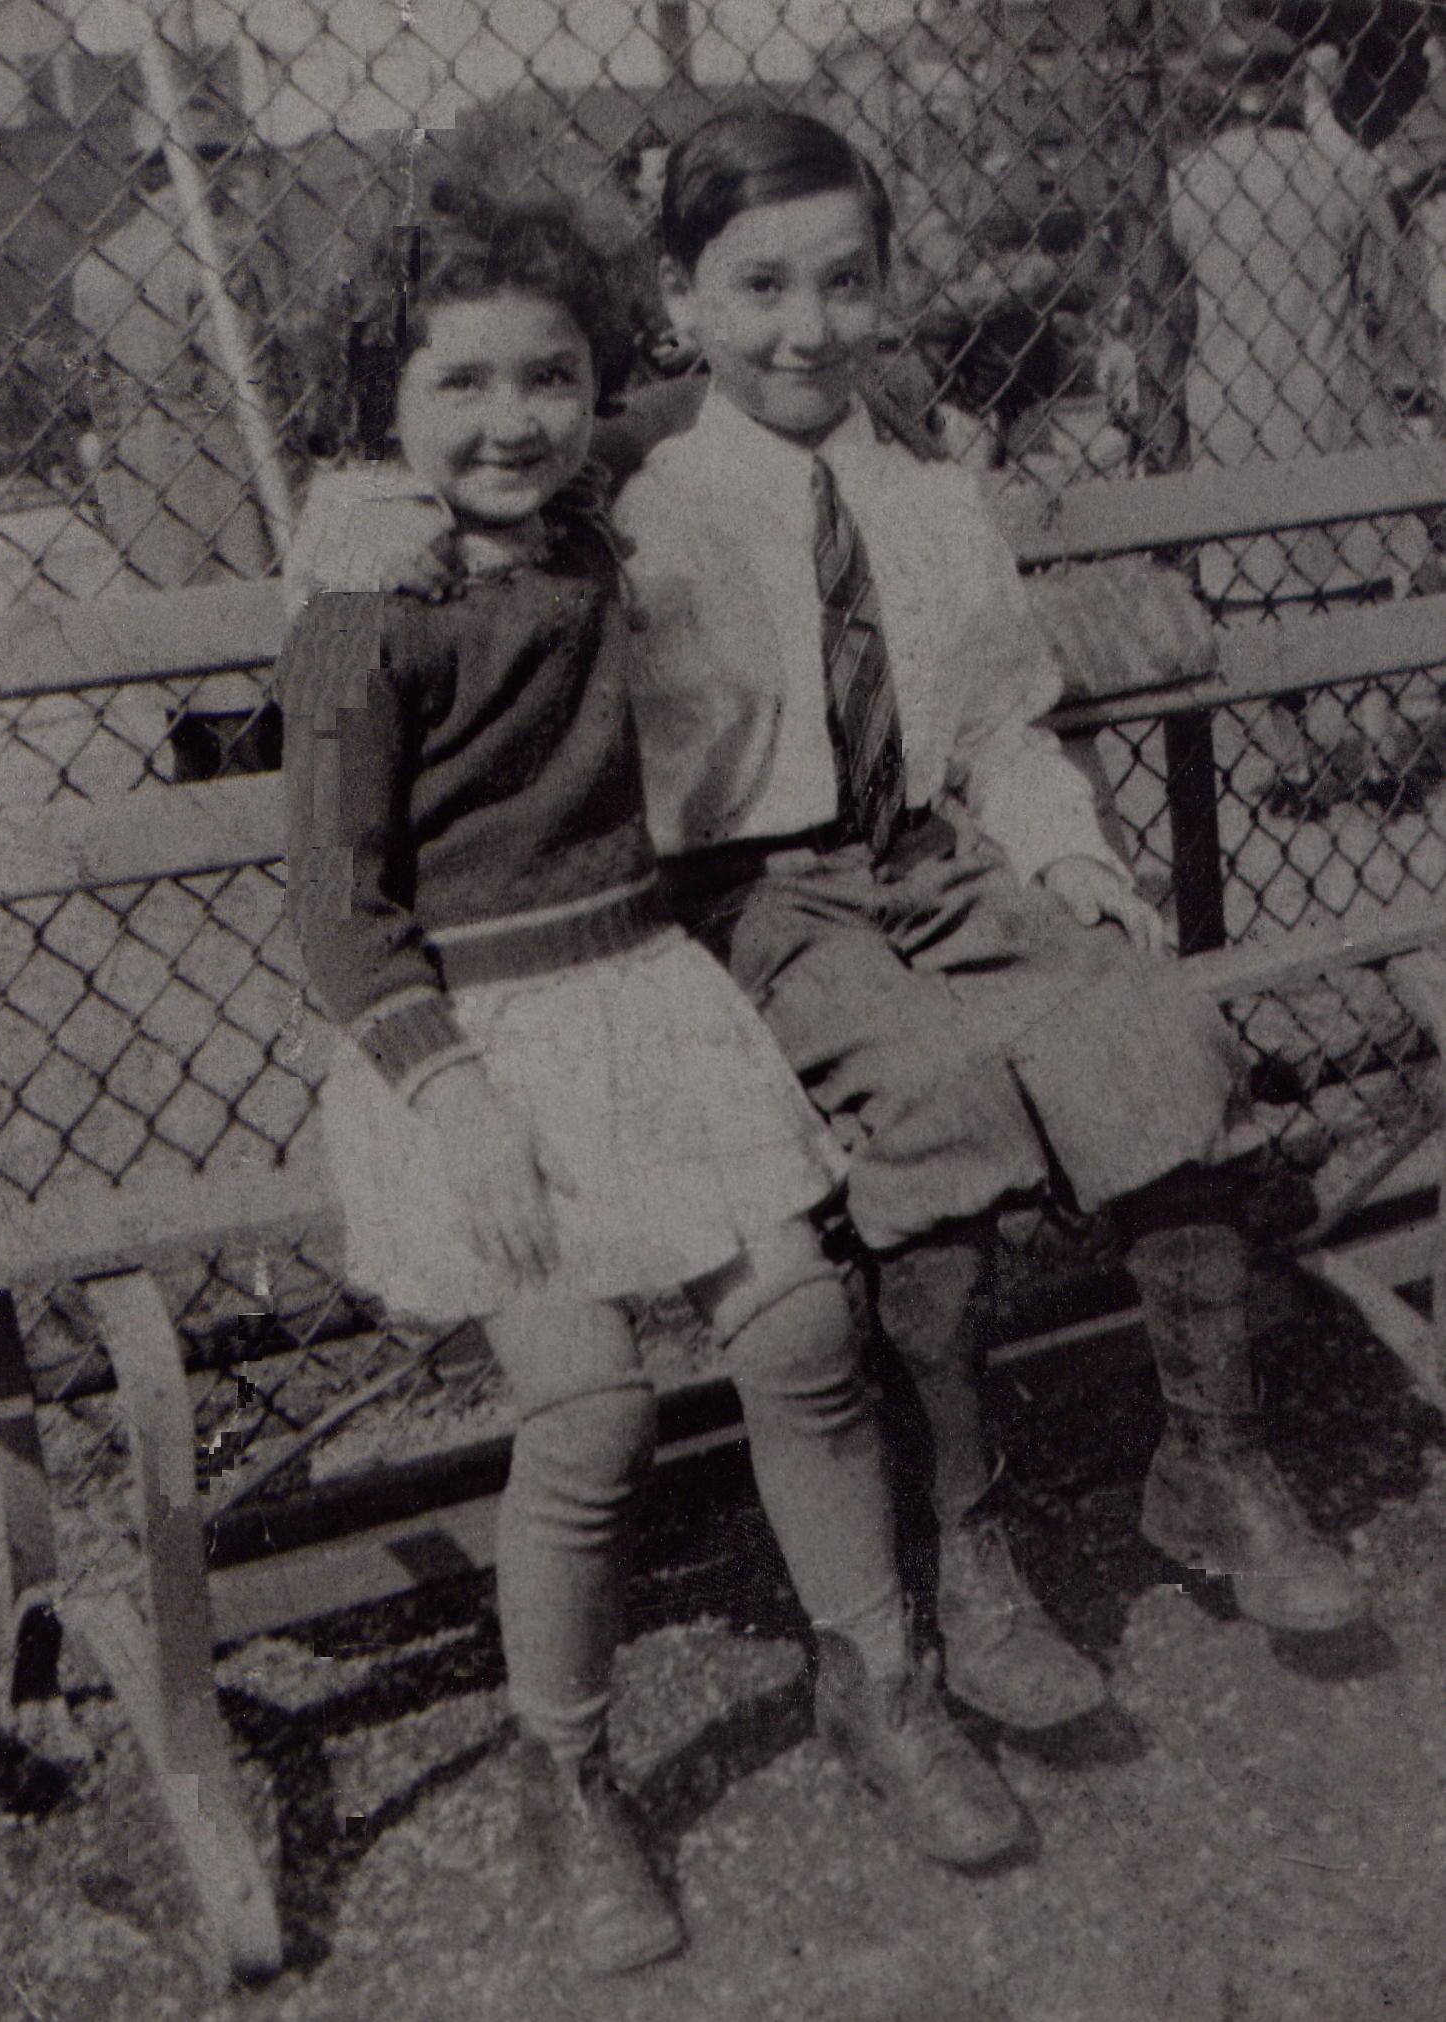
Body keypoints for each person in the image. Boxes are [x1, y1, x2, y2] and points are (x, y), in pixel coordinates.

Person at [289, 110, 1368, 1741]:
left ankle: (1213, 1464)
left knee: (1152, 1027)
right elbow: (438, 496)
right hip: (752, 893)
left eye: (846, 281)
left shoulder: (925, 479)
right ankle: (970, 1543)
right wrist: (354, 517)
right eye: (760, 286)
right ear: (680, 299)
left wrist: (1070, 862)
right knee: (931, 1095)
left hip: (933, 858)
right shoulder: (625, 473)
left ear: (884, 285)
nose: (807, 326)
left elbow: (1003, 714)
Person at [280, 180, 1025, 1978]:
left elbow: (722, 395)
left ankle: (879, 1676)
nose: (510, 421)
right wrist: (450, 1094)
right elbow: (336, 917)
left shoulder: (595, 521)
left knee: (798, 1331)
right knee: (591, 1404)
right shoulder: (363, 613)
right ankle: (564, 1767)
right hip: (463, 1048)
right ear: (381, 403)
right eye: (457, 388)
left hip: (646, 993)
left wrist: (907, 402)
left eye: (549, 380)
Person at [1167, 28, 1436, 816]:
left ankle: (1294, 770)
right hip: (1336, 398)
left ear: (1214, 91)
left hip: (1232, 409)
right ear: (1292, 85)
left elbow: (1171, 312)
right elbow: (1389, 300)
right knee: (1360, 577)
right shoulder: (1343, 170)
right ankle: (1385, 759)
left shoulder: (1187, 181)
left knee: (1255, 591)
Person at [71, 94, 275, 588]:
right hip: (215, 460)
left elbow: (97, 395)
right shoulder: (216, 256)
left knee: (163, 630)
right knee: (243, 623)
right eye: (214, 159)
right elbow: (240, 388)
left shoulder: (95, 267)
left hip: (134, 467)